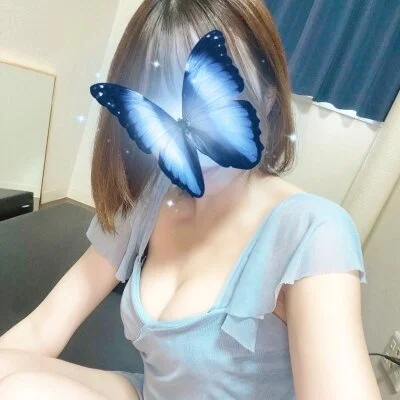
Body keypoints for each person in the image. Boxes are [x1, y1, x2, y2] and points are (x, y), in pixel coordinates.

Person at [0, 0, 382, 399]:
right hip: (148, 392)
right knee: (11, 376)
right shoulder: (151, 201)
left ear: (268, 99)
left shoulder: (313, 232)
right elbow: (44, 327)